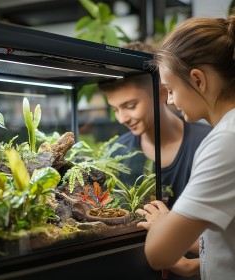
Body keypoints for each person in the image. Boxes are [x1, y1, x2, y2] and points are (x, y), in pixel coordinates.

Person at [140, 15, 235, 280]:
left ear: (197, 80)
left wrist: (162, 226)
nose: (169, 101)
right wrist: (196, 264)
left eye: (170, 89)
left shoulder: (225, 141)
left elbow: (158, 254)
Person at [98, 41, 212, 208]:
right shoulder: (117, 152)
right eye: (115, 109)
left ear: (161, 92)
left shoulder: (207, 142)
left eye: (130, 106)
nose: (122, 119)